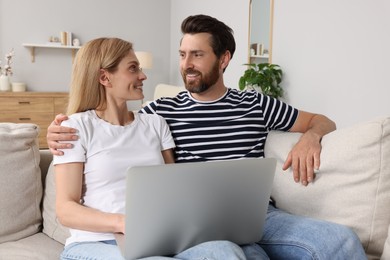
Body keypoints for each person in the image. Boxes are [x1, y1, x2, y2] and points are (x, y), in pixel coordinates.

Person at [48, 15, 367, 260]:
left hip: (254, 215)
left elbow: (321, 120)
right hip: (194, 223)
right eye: (182, 54)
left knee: (341, 241)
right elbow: (106, 129)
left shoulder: (254, 103)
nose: (186, 65)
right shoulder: (160, 111)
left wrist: (311, 137)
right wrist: (57, 134)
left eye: (197, 55)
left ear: (224, 59)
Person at [53, 37, 247, 260]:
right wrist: (123, 222)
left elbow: (172, 188)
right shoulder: (74, 127)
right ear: (105, 77)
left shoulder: (155, 124)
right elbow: (65, 208)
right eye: (133, 69)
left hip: (156, 238)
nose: (143, 76)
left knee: (226, 251)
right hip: (95, 242)